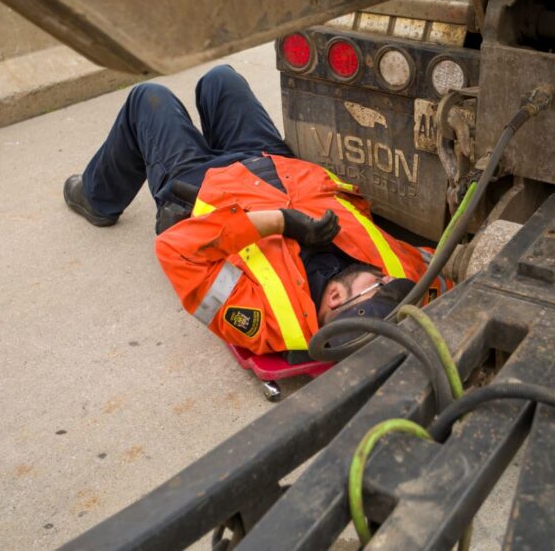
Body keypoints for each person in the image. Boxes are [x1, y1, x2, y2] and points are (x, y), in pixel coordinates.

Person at [64, 65, 447, 357]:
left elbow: (176, 250)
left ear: (334, 301)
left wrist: (279, 222)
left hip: (204, 188)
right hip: (277, 167)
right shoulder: (402, 277)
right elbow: (444, 268)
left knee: (149, 97)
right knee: (220, 79)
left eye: (378, 287)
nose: (386, 278)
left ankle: (97, 197)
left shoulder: (270, 320)